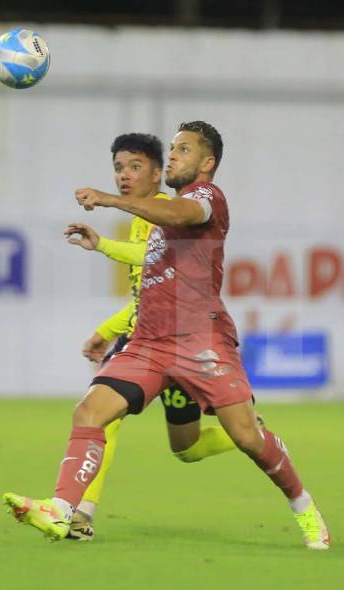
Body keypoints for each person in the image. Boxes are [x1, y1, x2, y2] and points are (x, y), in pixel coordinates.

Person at [4, 121, 330, 550]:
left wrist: (109, 200)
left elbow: (179, 214)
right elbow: (150, 254)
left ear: (207, 162)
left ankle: (304, 507)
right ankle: (63, 510)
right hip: (150, 344)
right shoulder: (163, 221)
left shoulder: (206, 199)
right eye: (173, 148)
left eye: (184, 150)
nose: (174, 155)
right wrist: (102, 245)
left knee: (246, 438)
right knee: (90, 411)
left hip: (201, 343)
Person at [62, 132, 237, 540]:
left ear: (159, 174)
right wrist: (107, 331)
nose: (125, 176)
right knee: (102, 417)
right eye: (119, 168)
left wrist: (103, 244)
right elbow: (145, 296)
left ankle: (246, 432)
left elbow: (153, 259)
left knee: (187, 449)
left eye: (135, 167)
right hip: (146, 338)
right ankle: (81, 513)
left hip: (183, 341)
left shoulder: (166, 212)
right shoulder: (142, 216)